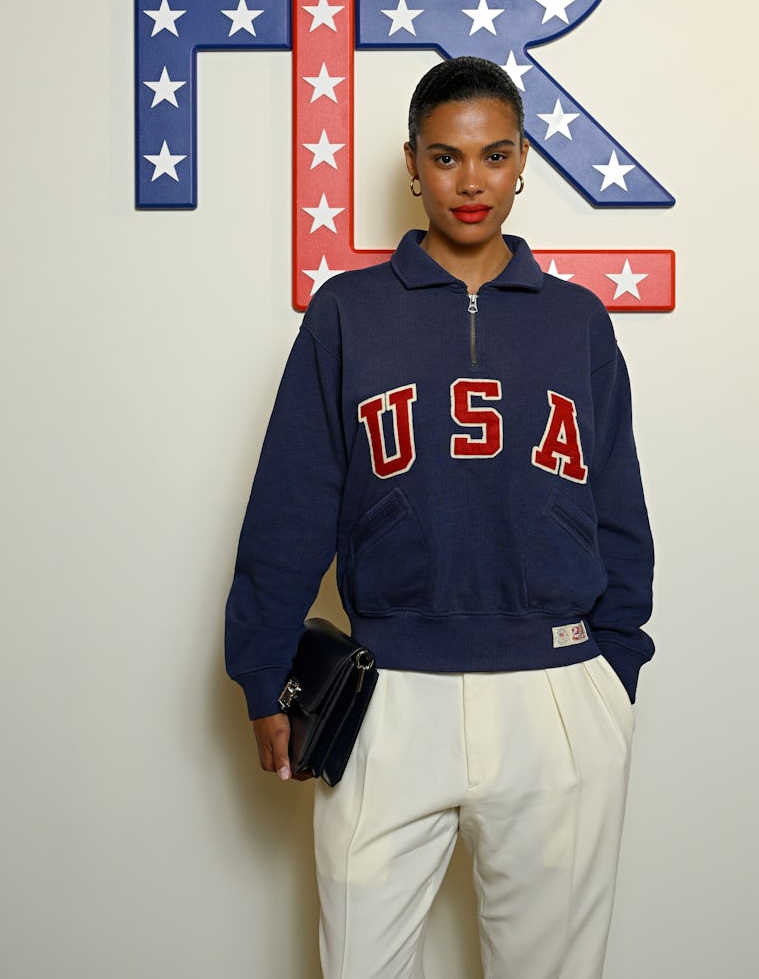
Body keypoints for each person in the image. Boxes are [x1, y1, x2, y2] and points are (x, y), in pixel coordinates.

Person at [226, 56, 654, 979]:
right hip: (390, 690)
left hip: (555, 688)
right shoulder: (348, 314)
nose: (471, 182)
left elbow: (616, 500)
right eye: (447, 157)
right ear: (412, 164)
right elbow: (292, 497)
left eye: (494, 155)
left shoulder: (576, 321)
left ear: (523, 160)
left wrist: (614, 665)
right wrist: (262, 670)